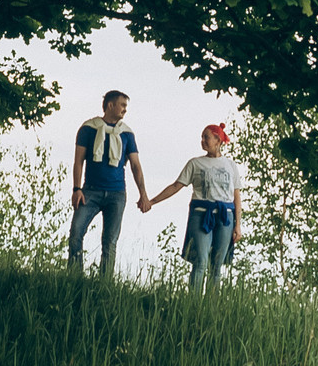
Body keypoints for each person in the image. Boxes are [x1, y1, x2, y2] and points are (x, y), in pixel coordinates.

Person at [143, 121, 243, 292]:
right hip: (201, 214)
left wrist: (238, 225)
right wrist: (152, 201)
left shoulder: (230, 165)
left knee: (217, 265)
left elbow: (237, 197)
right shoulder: (195, 164)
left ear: (218, 140)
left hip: (225, 216)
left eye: (206, 137)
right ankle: (194, 301)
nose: (202, 141)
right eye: (202, 138)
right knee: (201, 261)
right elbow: (176, 186)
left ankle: (211, 303)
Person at [68, 90, 148, 277]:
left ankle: (104, 282)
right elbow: (78, 161)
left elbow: (135, 165)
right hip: (90, 191)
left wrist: (143, 194)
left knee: (110, 242)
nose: (125, 110)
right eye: (122, 105)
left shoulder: (126, 133)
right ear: (110, 105)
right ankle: (74, 277)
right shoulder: (88, 129)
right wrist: (77, 189)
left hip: (116, 194)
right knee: (76, 233)